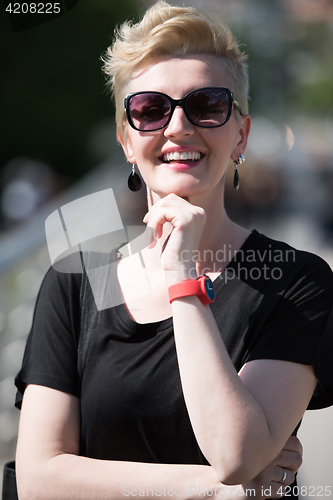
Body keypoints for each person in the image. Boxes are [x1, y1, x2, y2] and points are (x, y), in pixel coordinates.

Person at [14, 2, 333, 499]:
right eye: (150, 109)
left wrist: (181, 272)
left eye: (207, 105)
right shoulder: (75, 279)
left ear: (241, 135)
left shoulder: (296, 281)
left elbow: (236, 453)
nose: (179, 127)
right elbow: (38, 480)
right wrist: (211, 487)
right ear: (126, 140)